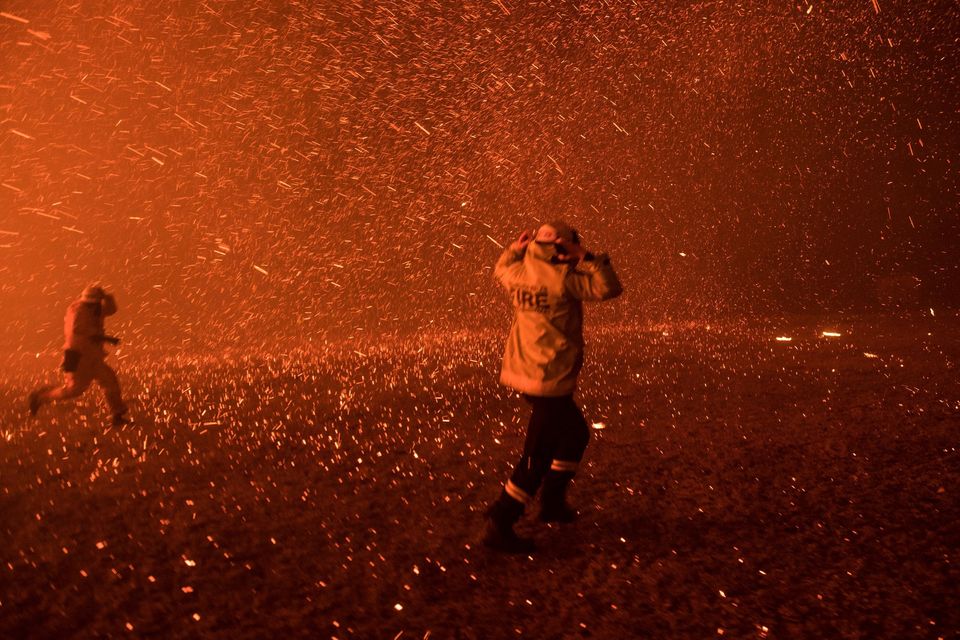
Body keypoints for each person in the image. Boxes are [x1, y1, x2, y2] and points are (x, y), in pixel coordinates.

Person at [483, 221, 623, 553]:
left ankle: (553, 503)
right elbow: (609, 288)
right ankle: (500, 522)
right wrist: (589, 257)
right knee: (536, 457)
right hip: (550, 378)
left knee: (575, 435)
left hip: (524, 371)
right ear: (561, 249)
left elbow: (501, 269)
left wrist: (516, 250)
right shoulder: (566, 280)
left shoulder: (518, 274)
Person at [28, 285, 129, 426]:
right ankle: (41, 397)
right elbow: (81, 333)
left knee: (110, 381)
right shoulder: (77, 311)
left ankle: (117, 416)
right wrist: (106, 338)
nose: (97, 306)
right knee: (74, 390)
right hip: (78, 357)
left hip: (93, 356)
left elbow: (111, 310)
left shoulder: (96, 308)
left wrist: (108, 296)